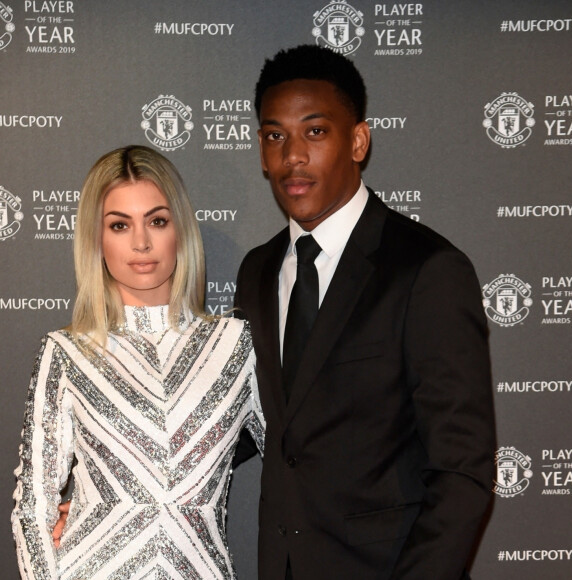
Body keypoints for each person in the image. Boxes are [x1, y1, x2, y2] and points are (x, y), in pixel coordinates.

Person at [233, 44, 495, 579]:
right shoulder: (257, 271)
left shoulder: (426, 269)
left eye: (315, 131)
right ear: (261, 150)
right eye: (275, 135)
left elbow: (462, 470)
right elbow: (241, 424)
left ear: (358, 140)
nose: (293, 157)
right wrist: (116, 492)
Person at [12, 145, 264, 580]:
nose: (142, 242)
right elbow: (33, 506)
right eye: (119, 225)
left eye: (157, 221)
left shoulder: (236, 344)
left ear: (180, 230)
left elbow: (300, 464)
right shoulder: (67, 352)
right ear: (96, 238)